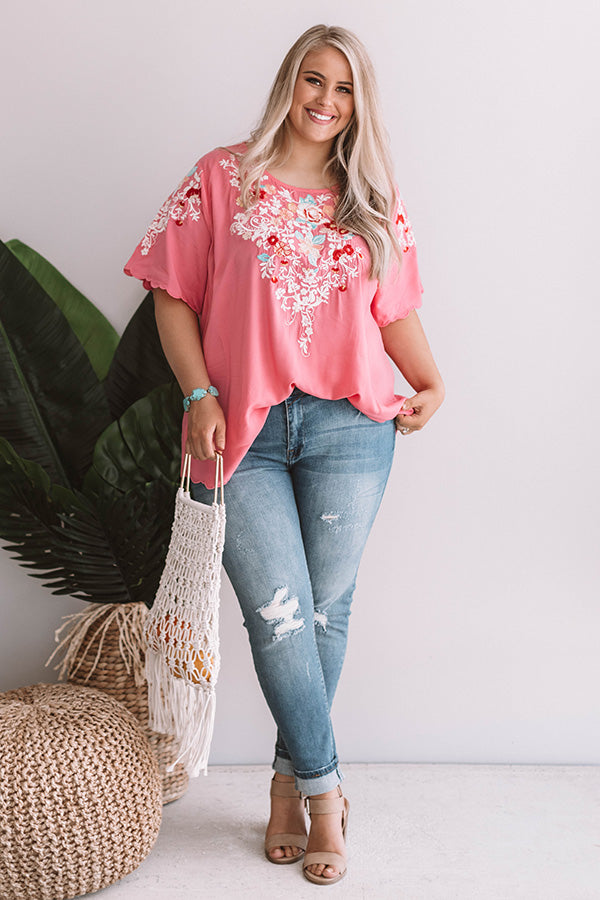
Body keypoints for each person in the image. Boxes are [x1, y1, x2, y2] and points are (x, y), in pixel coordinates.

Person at [124, 23, 444, 887]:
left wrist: (430, 378)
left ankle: (282, 786)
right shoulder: (224, 178)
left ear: (357, 105)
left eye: (343, 91)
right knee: (279, 612)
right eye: (313, 81)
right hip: (246, 436)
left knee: (326, 612)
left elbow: (394, 308)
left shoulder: (368, 195)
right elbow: (170, 294)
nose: (325, 102)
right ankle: (327, 795)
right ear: (288, 83)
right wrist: (198, 395)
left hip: (351, 428)